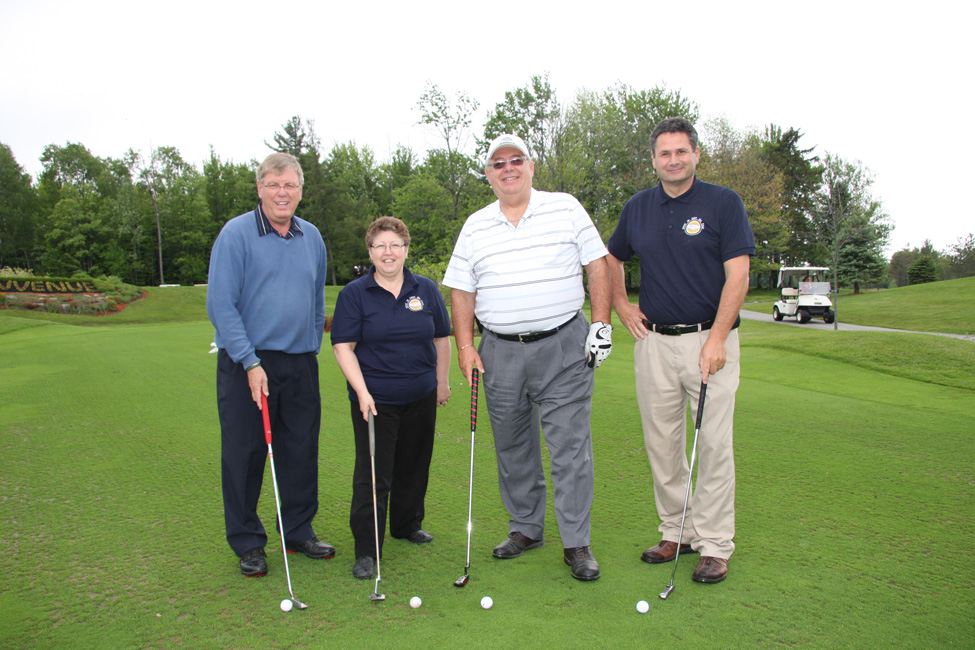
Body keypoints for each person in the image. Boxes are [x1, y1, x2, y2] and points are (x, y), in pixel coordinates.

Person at [443, 133, 613, 581]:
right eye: (498, 163)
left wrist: (601, 323)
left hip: (564, 346)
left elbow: (597, 264)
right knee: (512, 445)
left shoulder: (565, 208)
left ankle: (576, 542)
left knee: (570, 448)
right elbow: (461, 290)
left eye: (516, 160)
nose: (508, 169)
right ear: (488, 174)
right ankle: (526, 527)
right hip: (499, 351)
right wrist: (465, 346)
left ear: (531, 166)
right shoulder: (475, 226)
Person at [606, 117, 755, 584]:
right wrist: (621, 305)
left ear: (696, 154)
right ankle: (678, 531)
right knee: (663, 445)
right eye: (665, 153)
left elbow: (738, 275)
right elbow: (612, 257)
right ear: (653, 160)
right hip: (653, 343)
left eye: (681, 152)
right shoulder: (638, 207)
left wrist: (717, 338)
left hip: (709, 341)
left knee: (713, 445)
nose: (674, 160)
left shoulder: (723, 203)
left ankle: (714, 544)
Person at [206, 152, 333, 577]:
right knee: (245, 454)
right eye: (274, 184)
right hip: (248, 363)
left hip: (299, 363)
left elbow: (316, 300)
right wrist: (249, 360)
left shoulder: (312, 236)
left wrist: (310, 346)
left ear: (300, 190)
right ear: (260, 188)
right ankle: (247, 542)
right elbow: (221, 305)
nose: (282, 193)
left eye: (290, 185)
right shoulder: (236, 234)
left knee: (300, 450)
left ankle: (296, 530)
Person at [331, 217, 452, 580]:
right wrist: (362, 392)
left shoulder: (425, 288)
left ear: (406, 250)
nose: (388, 252)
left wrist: (441, 381)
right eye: (380, 245)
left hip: (421, 395)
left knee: (414, 465)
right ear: (370, 251)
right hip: (375, 400)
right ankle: (368, 549)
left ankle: (406, 524)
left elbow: (441, 338)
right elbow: (343, 347)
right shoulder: (354, 294)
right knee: (373, 475)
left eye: (395, 245)